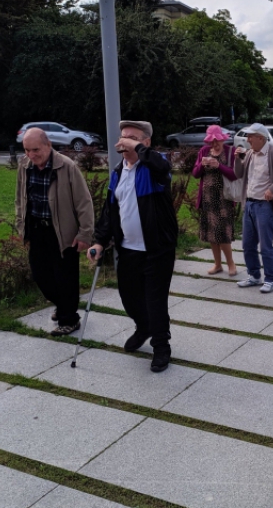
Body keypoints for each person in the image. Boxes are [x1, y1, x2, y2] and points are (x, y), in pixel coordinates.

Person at [88, 120, 178, 372]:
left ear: (145, 142)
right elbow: (110, 212)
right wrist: (99, 240)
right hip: (128, 249)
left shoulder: (155, 167)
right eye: (123, 136)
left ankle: (162, 346)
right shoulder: (118, 172)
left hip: (157, 248)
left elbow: (161, 165)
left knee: (155, 300)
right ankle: (144, 327)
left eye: (133, 137)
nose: (124, 140)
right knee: (129, 297)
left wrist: (137, 148)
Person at [15, 128, 94, 336]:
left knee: (65, 277)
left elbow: (84, 202)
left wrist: (85, 233)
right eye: (27, 150)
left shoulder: (66, 167)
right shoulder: (24, 166)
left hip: (62, 232)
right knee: (41, 276)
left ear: (48, 145)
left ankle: (69, 319)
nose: (32, 155)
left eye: (36, 150)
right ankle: (63, 305)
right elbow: (20, 199)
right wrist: (21, 227)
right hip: (36, 229)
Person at [233, 123, 273, 293]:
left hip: (265, 206)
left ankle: (270, 279)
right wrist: (237, 159)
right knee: (247, 244)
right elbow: (238, 174)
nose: (247, 140)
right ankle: (254, 276)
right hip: (249, 204)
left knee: (265, 246)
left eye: (250, 137)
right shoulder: (249, 154)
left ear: (260, 138)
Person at [192, 125, 238, 276]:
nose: (214, 144)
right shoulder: (204, 151)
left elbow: (234, 175)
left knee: (223, 233)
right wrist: (202, 165)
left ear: (222, 139)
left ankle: (231, 264)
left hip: (223, 199)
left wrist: (219, 165)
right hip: (207, 200)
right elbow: (195, 174)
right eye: (211, 142)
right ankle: (217, 264)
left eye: (216, 141)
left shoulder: (229, 152)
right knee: (212, 234)